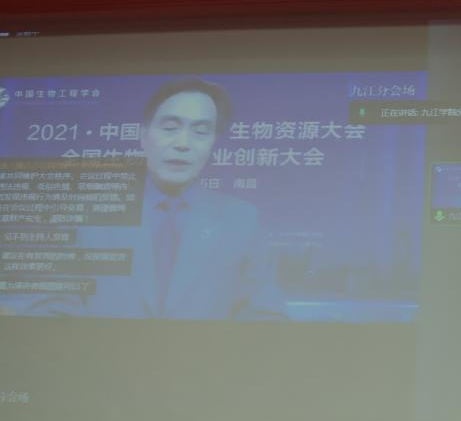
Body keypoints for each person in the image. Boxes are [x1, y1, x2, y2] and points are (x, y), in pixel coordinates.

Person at [29, 78, 283, 320]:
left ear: (212, 144)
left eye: (200, 132)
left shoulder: (243, 220)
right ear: (143, 136)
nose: (183, 143)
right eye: (170, 128)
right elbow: (51, 307)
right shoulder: (84, 213)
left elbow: (264, 314)